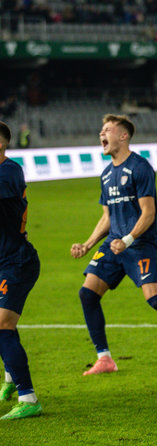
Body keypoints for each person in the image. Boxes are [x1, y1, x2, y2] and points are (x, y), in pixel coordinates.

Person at [70, 114, 157, 376]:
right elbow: (107, 218)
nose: (102, 134)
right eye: (101, 130)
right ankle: (105, 359)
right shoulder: (107, 174)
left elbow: (148, 213)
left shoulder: (140, 167)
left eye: (107, 129)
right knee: (87, 294)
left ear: (123, 136)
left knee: (155, 300)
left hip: (139, 244)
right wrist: (87, 245)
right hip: (113, 245)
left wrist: (128, 239)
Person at [0, 121, 42, 420]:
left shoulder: (9, 172)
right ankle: (11, 379)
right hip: (3, 259)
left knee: (2, 325)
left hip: (17, 261)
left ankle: (29, 398)